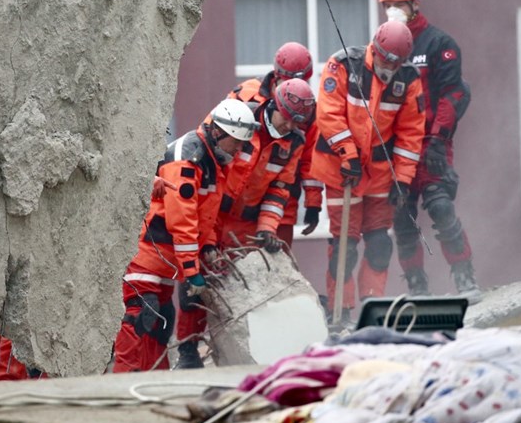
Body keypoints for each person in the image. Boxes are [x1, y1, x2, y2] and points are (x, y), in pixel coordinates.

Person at [174, 77, 316, 368]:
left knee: (235, 290)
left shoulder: (293, 144)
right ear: (275, 105)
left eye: (296, 123)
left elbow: (280, 191)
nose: (289, 127)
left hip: (245, 226)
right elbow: (208, 154)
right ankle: (188, 350)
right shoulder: (240, 119)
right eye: (286, 119)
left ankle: (241, 351)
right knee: (196, 282)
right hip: (214, 210)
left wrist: (266, 229)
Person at [112, 99, 258, 372]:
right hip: (147, 255)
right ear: (218, 132)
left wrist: (210, 247)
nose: (239, 149)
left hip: (164, 261)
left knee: (160, 321)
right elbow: (182, 220)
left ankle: (153, 383)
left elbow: (206, 217)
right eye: (236, 142)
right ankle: (124, 384)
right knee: (139, 319)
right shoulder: (188, 158)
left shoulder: (213, 162)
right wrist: (192, 272)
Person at [310, 21, 425, 327]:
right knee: (344, 244)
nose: (389, 67)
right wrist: (348, 154)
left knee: (379, 243)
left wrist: (403, 179)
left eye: (395, 62)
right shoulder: (344, 65)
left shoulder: (408, 79)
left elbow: (411, 134)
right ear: (376, 49)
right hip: (342, 172)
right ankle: (341, 312)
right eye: (386, 60)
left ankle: (374, 308)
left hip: (380, 175)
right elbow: (328, 114)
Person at [378, 0, 482, 303]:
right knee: (402, 218)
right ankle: (417, 285)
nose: (394, 11)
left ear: (415, 2)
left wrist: (438, 138)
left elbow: (454, 93)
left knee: (440, 207)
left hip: (432, 144)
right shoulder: (383, 45)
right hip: (397, 151)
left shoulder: (439, 43)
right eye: (388, 5)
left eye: (400, 4)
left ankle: (464, 274)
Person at [225, 42, 324, 248]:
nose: (289, 125)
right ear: (277, 75)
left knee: (274, 254)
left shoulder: (307, 110)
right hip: (233, 194)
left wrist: (313, 202)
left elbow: (309, 159)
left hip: (281, 190)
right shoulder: (246, 95)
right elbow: (219, 139)